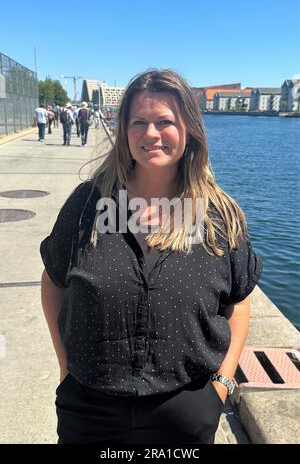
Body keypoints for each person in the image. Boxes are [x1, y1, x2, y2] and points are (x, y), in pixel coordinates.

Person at [40, 69, 263, 444]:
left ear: (189, 129)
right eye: (138, 122)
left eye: (165, 121)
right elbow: (53, 279)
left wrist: (221, 386)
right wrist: (65, 368)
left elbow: (238, 302)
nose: (150, 134)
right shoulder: (87, 204)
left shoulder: (219, 217)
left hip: (185, 411)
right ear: (124, 129)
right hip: (90, 408)